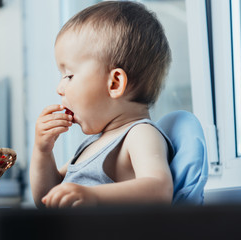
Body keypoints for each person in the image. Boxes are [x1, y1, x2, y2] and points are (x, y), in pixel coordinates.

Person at [30, 1, 173, 208]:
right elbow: (47, 198)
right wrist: (43, 151)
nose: (59, 88)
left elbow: (160, 189)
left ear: (114, 83)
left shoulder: (139, 134)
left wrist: (93, 196)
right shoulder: (93, 144)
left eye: (69, 75)